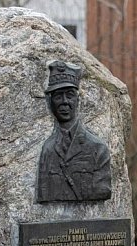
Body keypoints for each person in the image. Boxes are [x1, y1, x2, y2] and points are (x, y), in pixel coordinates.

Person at [36, 60, 112, 202]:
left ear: (78, 100)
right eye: (58, 96)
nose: (65, 102)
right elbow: (44, 193)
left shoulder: (97, 148)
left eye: (70, 95)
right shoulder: (48, 149)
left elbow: (103, 191)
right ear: (50, 102)